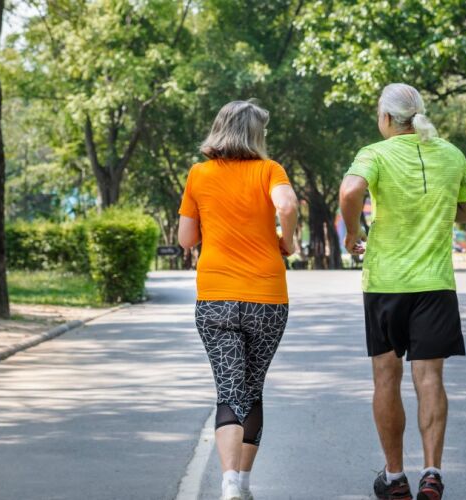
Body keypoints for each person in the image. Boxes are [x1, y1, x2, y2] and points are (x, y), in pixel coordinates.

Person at [339, 83, 466, 500]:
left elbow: (350, 191)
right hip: (435, 284)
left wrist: (353, 232)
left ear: (386, 118)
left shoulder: (375, 154)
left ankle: (395, 476)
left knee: (387, 377)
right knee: (430, 377)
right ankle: (432, 473)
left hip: (385, 284)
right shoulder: (451, 153)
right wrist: (435, 208)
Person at [178, 100, 298, 500]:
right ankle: (243, 484)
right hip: (266, 299)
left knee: (230, 391)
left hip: (216, 299)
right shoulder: (270, 170)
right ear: (255, 134)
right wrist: (286, 240)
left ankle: (229, 483)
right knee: (252, 389)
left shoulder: (199, 174)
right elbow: (287, 205)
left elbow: (185, 239)